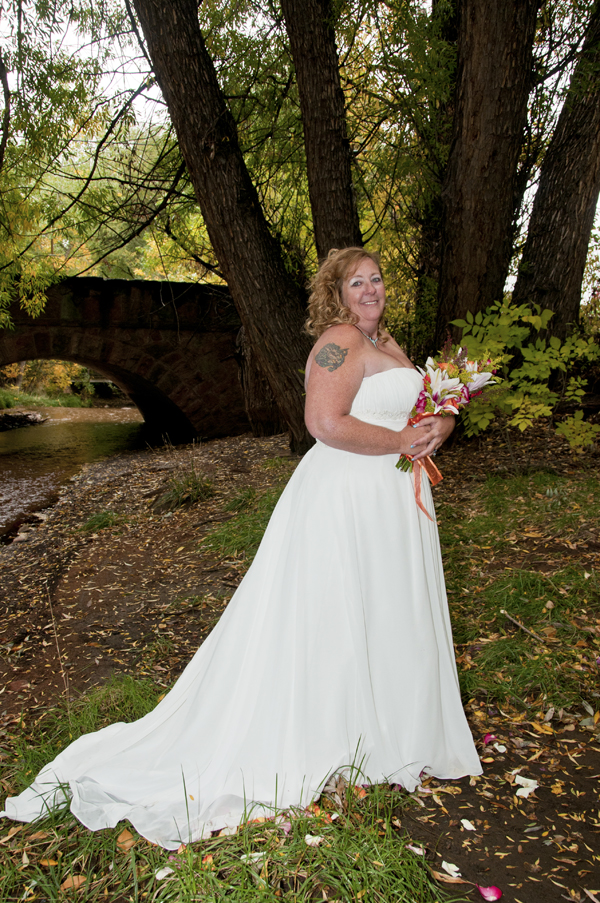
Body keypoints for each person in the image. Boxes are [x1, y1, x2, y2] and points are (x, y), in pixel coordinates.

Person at [2, 247, 481, 850]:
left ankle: (394, 730)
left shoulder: (388, 344)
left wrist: (443, 425)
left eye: (376, 279)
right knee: (335, 613)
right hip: (347, 498)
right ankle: (337, 735)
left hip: (393, 497)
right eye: (356, 282)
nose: (369, 290)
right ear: (336, 295)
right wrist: (401, 440)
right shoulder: (337, 342)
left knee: (389, 609)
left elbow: (423, 412)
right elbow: (323, 422)